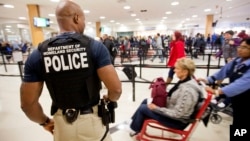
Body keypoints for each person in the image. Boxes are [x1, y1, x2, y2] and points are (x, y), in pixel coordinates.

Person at [20, 1, 122, 141]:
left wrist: (45, 122)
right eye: (84, 20)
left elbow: (27, 105)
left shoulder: (38, 54)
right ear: (76, 18)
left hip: (62, 126)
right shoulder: (95, 47)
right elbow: (116, 89)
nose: (84, 24)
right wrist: (109, 99)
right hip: (92, 123)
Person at [129, 58, 202, 136]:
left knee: (143, 108)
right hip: (173, 112)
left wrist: (156, 108)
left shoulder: (188, 91)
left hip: (177, 121)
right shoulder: (185, 82)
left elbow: (178, 114)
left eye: (177, 68)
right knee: (146, 101)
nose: (174, 70)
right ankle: (134, 123)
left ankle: (134, 129)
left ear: (185, 72)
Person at [198, 38, 250, 128]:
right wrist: (208, 79)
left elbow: (242, 83)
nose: (240, 49)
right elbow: (223, 71)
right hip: (236, 97)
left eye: (245, 47)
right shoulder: (237, 61)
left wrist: (218, 91)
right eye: (240, 46)